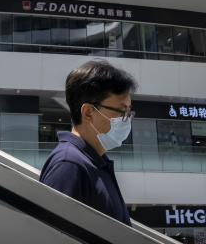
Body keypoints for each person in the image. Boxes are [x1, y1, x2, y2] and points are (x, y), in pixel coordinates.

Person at [39, 59, 135, 225]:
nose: (126, 120)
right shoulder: (68, 165)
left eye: (128, 112)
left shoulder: (96, 162)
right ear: (89, 112)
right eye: (121, 111)